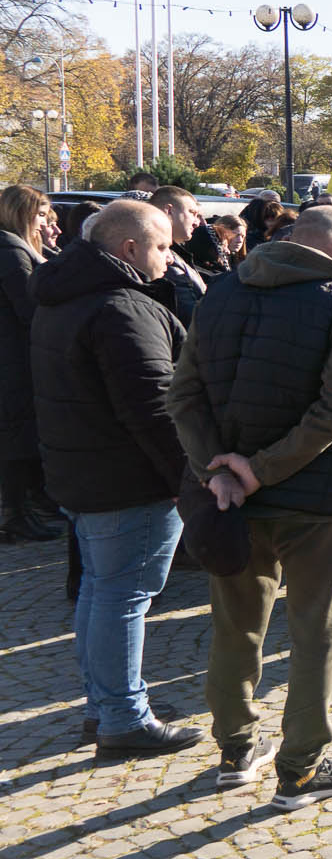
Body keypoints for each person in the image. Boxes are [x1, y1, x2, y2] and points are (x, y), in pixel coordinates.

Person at [168, 204, 332, 808]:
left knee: (236, 623)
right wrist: (253, 473)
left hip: (232, 494)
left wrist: (223, 471)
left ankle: (236, 750)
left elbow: (184, 395)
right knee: (318, 629)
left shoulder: (222, 290)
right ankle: (302, 767)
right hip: (312, 498)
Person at [30, 200, 201, 757]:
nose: (169, 256)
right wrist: (187, 476)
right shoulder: (119, 308)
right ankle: (123, 717)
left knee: (102, 591)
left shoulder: (65, 296)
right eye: (161, 246)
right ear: (129, 249)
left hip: (83, 471)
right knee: (122, 596)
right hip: (125, 479)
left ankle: (106, 706)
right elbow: (154, 406)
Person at [1, 186, 64, 542]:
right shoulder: (11, 251)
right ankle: (14, 514)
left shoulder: (14, 249)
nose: (44, 224)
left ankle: (26, 506)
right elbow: (30, 306)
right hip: (14, 358)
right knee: (15, 439)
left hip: (16, 355)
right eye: (40, 215)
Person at [145, 186, 210, 326]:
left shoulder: (175, 253)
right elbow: (193, 320)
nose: (197, 222)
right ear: (169, 211)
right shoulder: (158, 259)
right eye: (192, 213)